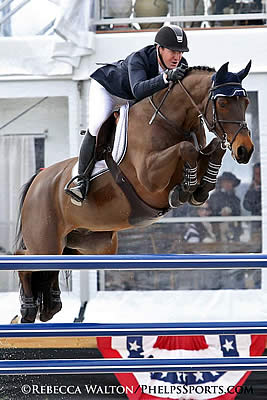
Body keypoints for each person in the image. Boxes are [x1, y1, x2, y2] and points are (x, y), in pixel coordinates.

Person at [65, 25, 189, 203]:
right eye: (173, 51)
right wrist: (166, 77)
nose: (177, 57)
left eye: (181, 52)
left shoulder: (181, 66)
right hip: (109, 91)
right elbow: (138, 90)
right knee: (98, 124)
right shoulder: (139, 59)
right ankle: (81, 181)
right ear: (159, 49)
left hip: (134, 101)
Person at [208, 171, 242, 242]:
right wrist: (220, 215)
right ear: (221, 183)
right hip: (217, 231)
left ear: (233, 184)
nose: (227, 184)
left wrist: (230, 214)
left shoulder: (236, 199)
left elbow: (238, 215)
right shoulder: (214, 197)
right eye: (225, 182)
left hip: (233, 231)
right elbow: (210, 213)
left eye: (230, 182)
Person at [243, 162, 261, 244]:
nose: (258, 176)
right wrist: (254, 190)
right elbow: (247, 206)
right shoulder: (251, 189)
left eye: (260, 174)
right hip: (256, 224)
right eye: (256, 174)